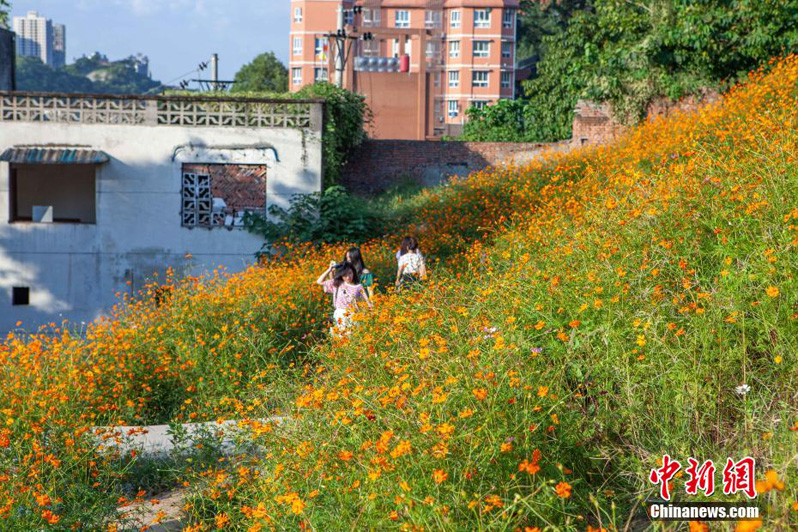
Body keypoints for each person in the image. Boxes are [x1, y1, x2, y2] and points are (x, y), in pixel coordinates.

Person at [316, 261, 371, 336]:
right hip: (339, 315)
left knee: (350, 338)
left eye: (350, 273)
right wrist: (329, 269)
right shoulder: (337, 284)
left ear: (353, 272)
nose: (348, 277)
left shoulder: (358, 287)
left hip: (353, 316)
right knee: (338, 338)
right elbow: (319, 281)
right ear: (341, 275)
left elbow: (367, 302)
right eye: (345, 275)